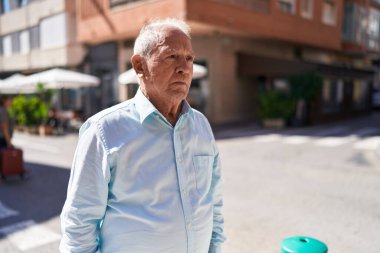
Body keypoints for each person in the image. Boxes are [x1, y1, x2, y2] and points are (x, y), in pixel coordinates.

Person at [60, 18, 225, 253]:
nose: (184, 67)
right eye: (171, 56)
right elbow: (79, 224)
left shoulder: (201, 125)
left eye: (189, 58)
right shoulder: (104, 131)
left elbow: (213, 202)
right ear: (139, 66)